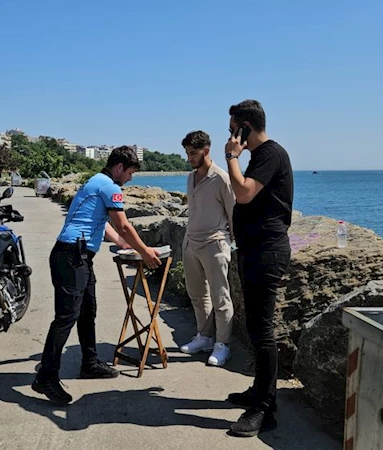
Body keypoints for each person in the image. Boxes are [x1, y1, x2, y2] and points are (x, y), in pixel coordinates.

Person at [32, 146, 162, 406]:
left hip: (77, 256)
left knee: (87, 310)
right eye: (130, 173)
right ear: (119, 167)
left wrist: (125, 245)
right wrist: (145, 251)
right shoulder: (110, 187)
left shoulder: (96, 181)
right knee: (66, 317)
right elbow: (122, 225)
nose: (130, 178)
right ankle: (46, 376)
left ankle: (89, 362)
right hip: (72, 256)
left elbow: (102, 223)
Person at [223, 99, 294, 437]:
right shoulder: (260, 156)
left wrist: (231, 157)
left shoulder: (270, 154)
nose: (230, 136)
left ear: (245, 127)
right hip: (254, 250)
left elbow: (244, 193)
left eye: (233, 129)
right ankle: (259, 390)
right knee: (254, 327)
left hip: (267, 252)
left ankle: (265, 409)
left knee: (263, 331)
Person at [179, 131, 236, 367]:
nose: (190, 158)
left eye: (193, 153)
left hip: (214, 242)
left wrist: (231, 243)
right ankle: (204, 336)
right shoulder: (190, 177)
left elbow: (233, 213)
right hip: (191, 242)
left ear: (206, 150)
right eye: (187, 153)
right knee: (196, 293)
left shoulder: (221, 178)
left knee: (220, 296)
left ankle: (223, 345)